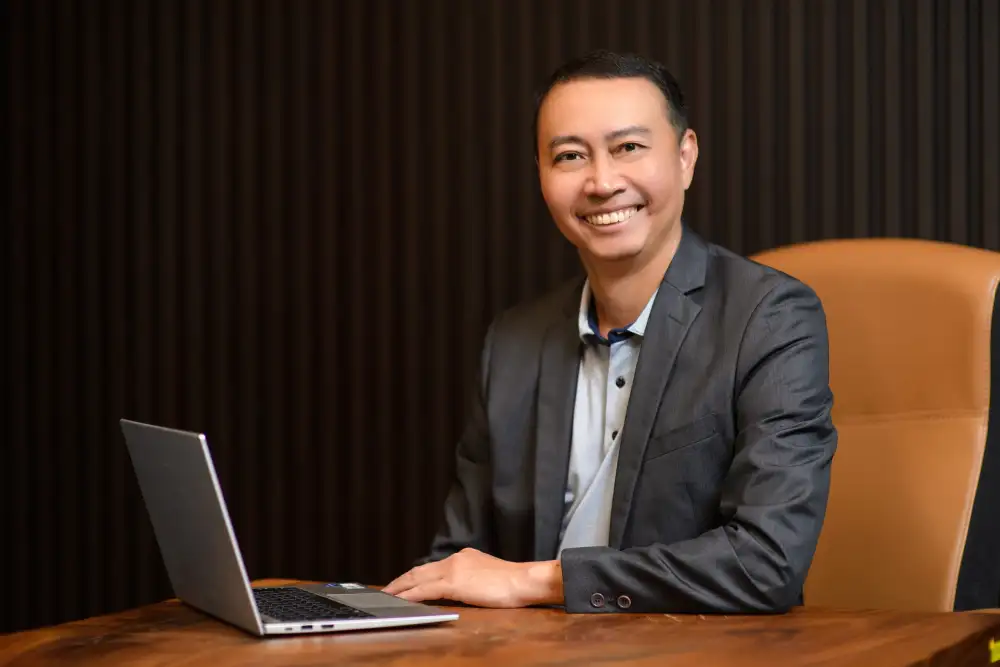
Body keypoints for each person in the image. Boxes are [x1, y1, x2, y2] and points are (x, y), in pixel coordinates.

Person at [383, 50, 837, 614]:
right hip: (529, 650)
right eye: (570, 156)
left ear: (685, 157)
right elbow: (460, 563)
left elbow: (766, 563)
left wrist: (536, 582)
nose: (601, 183)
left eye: (628, 148)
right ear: (541, 174)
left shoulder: (769, 318)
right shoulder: (514, 342)